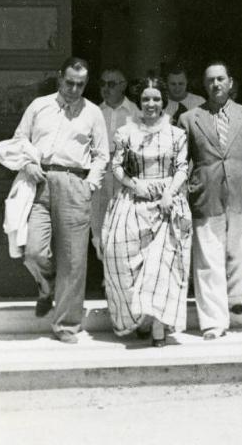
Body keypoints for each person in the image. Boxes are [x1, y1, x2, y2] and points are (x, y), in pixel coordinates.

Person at [4, 57, 109, 344]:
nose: (74, 89)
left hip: (74, 182)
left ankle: (66, 325)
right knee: (34, 250)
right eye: (69, 82)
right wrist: (27, 164)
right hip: (39, 182)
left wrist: (89, 184)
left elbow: (102, 155)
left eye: (81, 84)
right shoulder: (39, 106)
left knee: (73, 260)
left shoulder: (93, 113)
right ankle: (46, 286)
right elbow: (18, 140)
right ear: (59, 78)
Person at [179, 62, 242, 340]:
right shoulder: (190, 118)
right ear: (204, 86)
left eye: (221, 79)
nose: (216, 85)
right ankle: (213, 322)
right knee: (208, 259)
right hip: (205, 194)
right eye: (210, 81)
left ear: (230, 82)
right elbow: (181, 159)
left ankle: (232, 297)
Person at [102, 77, 192, 347]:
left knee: (161, 267)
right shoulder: (125, 132)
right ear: (138, 102)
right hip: (133, 201)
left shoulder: (177, 134)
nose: (150, 104)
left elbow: (182, 168)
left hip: (167, 204)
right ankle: (139, 319)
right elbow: (116, 166)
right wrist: (134, 184)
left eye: (155, 99)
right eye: (145, 99)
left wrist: (169, 194)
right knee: (122, 259)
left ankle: (158, 328)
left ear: (164, 101)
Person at [91, 68, 139, 258]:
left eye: (111, 84)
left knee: (125, 226)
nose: (106, 88)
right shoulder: (94, 112)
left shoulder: (136, 112)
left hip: (125, 176)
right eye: (102, 84)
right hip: (101, 176)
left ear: (123, 86)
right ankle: (106, 276)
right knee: (99, 224)